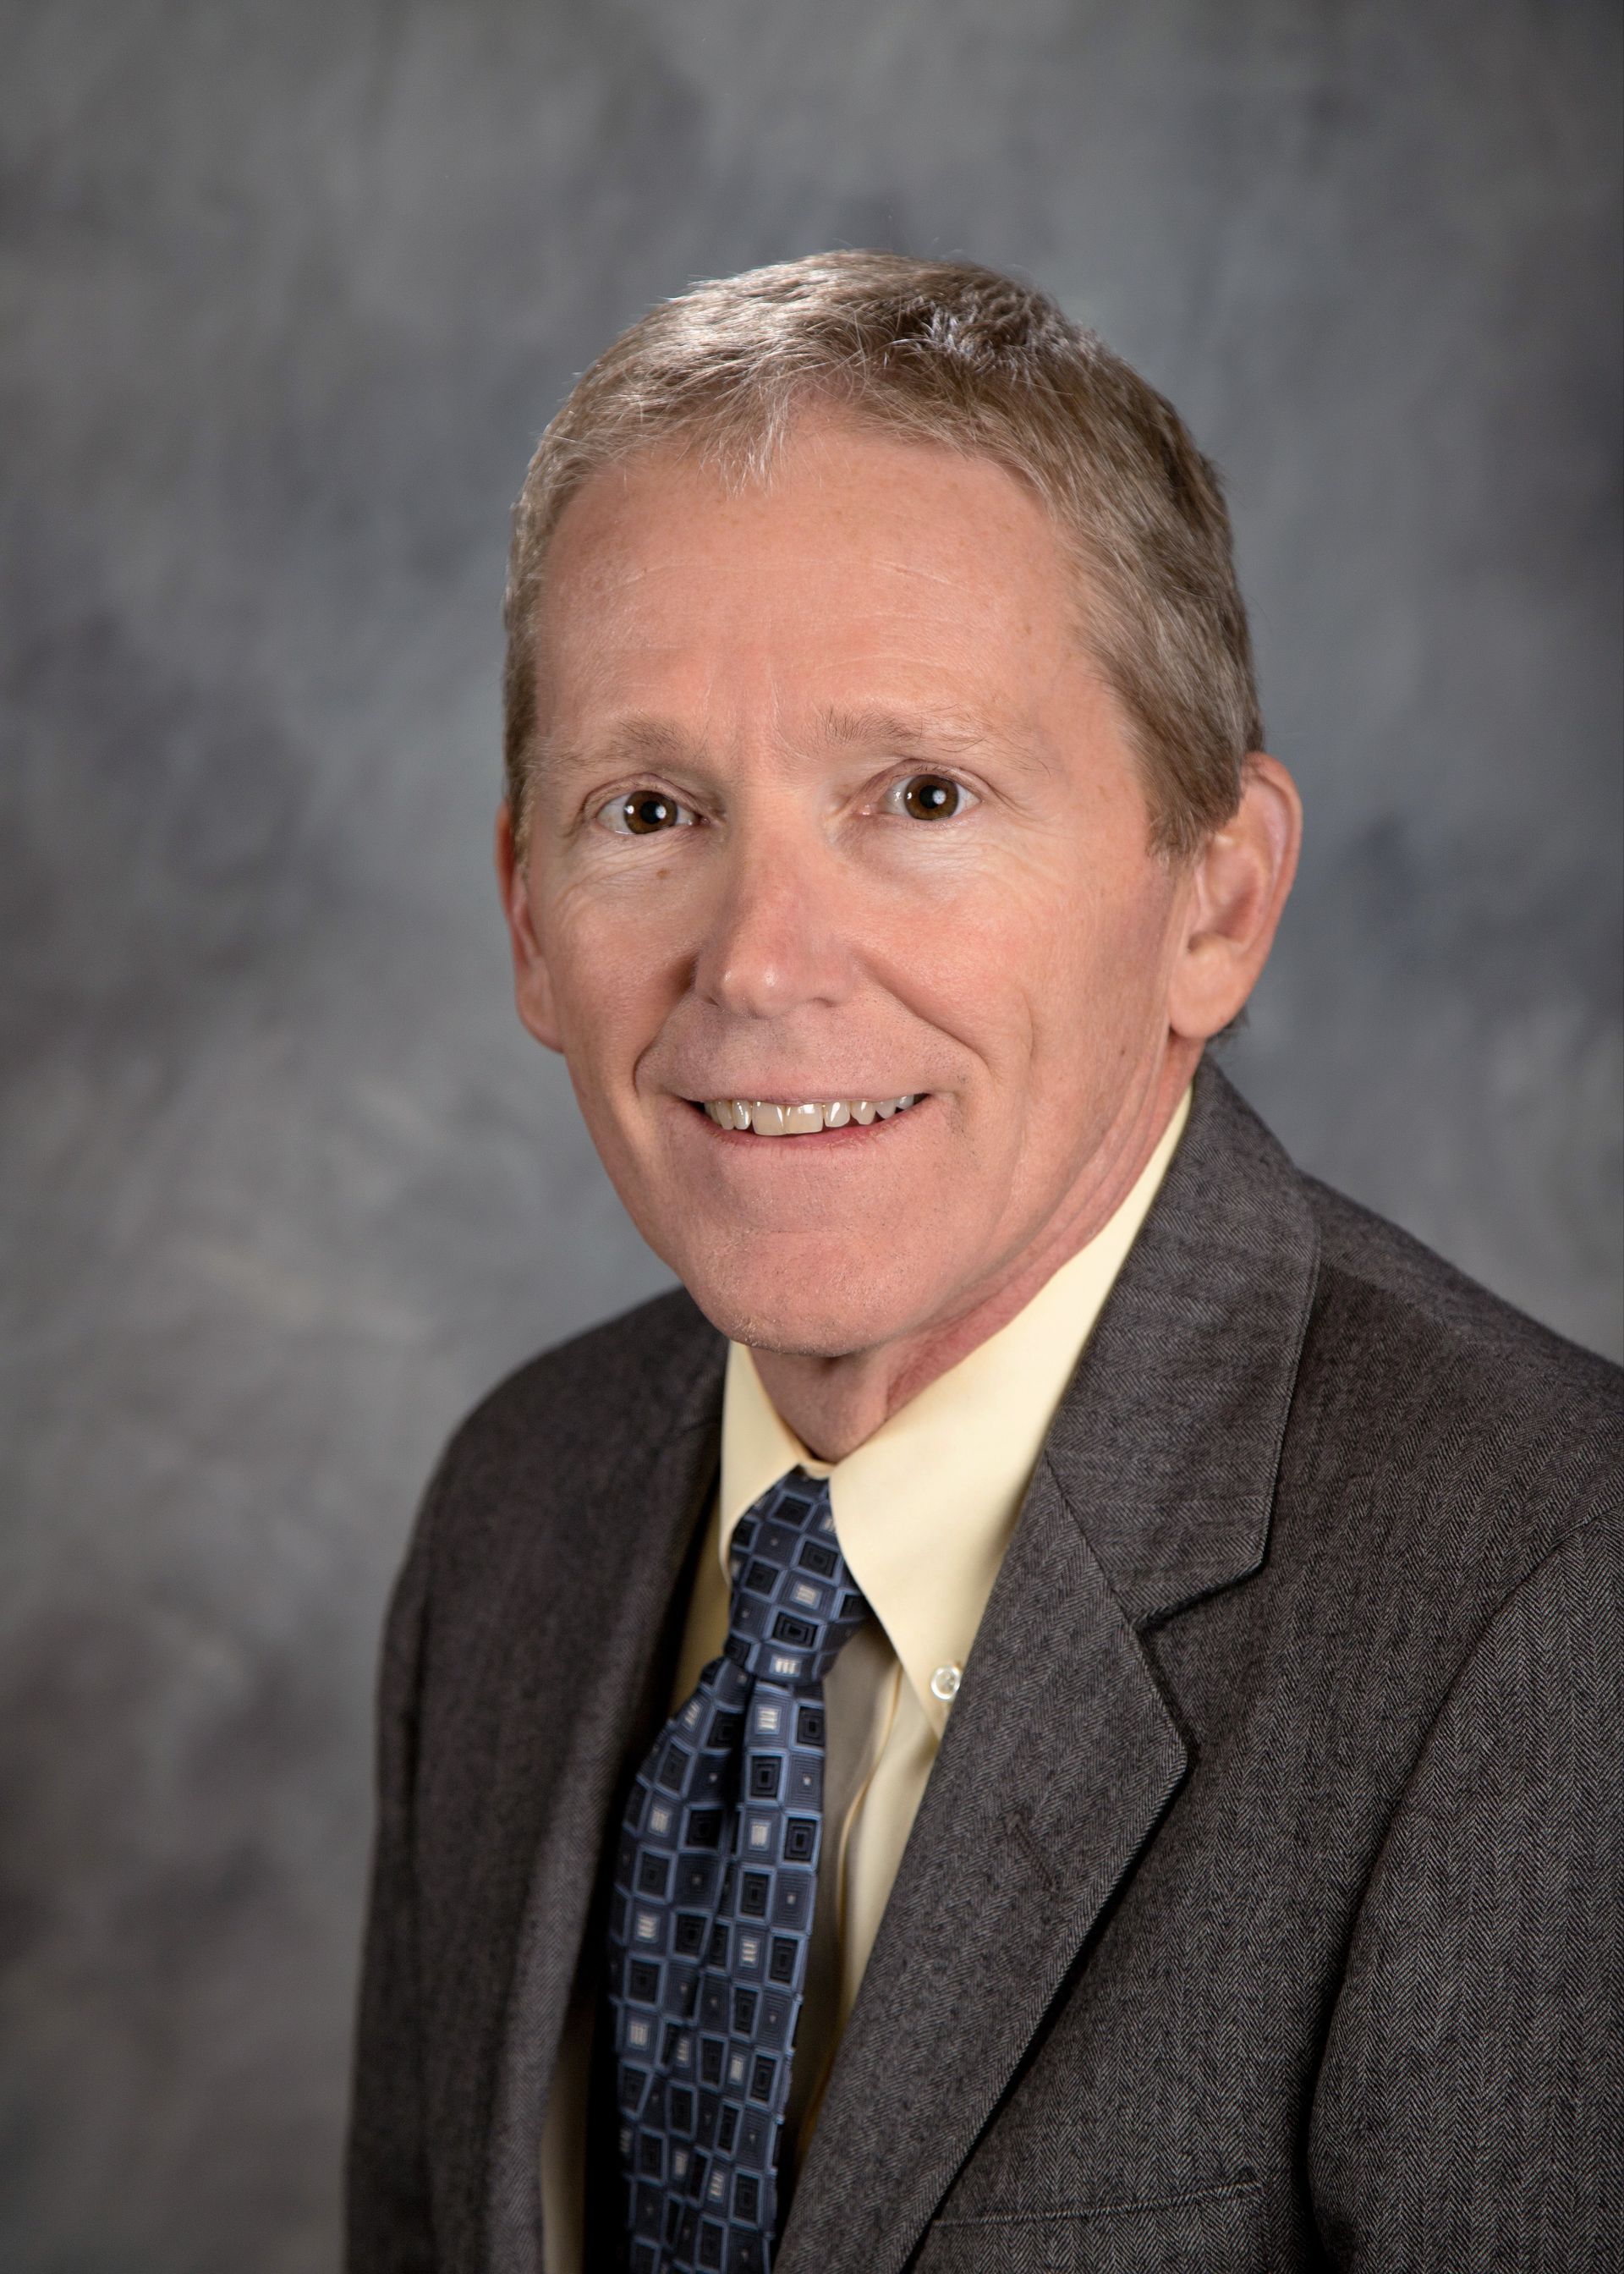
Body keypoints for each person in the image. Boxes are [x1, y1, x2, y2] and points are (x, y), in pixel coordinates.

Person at [344, 254, 1621, 2274]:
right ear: (527, 915)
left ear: (1218, 898)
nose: (760, 963)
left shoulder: (1550, 1611)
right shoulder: (519, 1506)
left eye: (921, 796)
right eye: (652, 808)